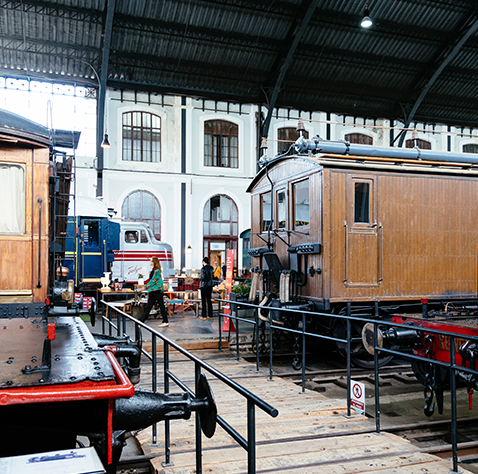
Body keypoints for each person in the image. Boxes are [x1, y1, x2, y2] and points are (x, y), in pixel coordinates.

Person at [138, 257, 169, 327]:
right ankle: (141, 320)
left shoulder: (157, 271)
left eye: (151, 261)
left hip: (157, 290)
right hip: (153, 290)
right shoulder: (153, 270)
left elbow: (153, 281)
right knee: (149, 306)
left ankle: (165, 321)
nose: (150, 261)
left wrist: (144, 287)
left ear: (154, 262)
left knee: (161, 305)